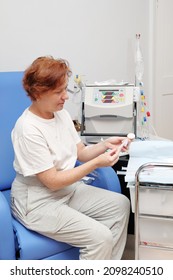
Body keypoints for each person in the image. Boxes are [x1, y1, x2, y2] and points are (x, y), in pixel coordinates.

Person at [11, 56, 130, 260]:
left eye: (65, 89)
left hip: (67, 191)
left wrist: (105, 145)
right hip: (38, 202)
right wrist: (96, 163)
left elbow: (80, 153)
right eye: (59, 92)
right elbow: (52, 182)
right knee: (99, 236)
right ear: (38, 93)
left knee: (120, 205)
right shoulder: (28, 129)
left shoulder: (61, 114)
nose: (65, 96)